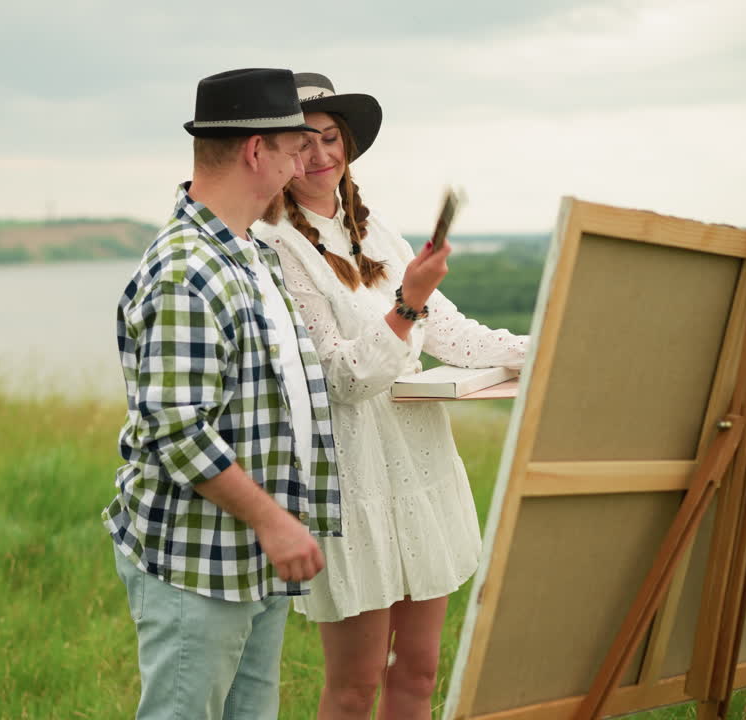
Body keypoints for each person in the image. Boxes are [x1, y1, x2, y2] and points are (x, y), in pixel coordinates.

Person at [253, 72, 529, 720]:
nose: (319, 156)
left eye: (330, 139)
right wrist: (408, 300)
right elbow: (343, 381)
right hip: (352, 486)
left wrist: (538, 348)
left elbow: (449, 331)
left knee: (421, 671)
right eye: (302, 143)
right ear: (277, 155)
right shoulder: (277, 249)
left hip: (420, 471)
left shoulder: (377, 232)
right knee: (354, 688)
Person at [102, 68, 343, 720]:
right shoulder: (188, 268)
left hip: (254, 560)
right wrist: (274, 521)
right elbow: (177, 429)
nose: (302, 165)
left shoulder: (252, 254)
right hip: (199, 562)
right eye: (295, 149)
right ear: (255, 150)